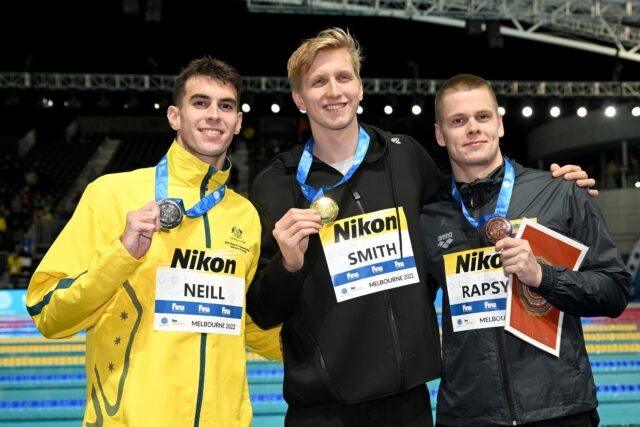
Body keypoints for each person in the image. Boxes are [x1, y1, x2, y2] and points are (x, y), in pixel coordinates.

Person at [246, 28, 595, 426]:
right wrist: (288, 265)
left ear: (360, 88)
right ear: (299, 98)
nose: (333, 91)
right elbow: (263, 310)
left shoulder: (404, 157)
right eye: (318, 82)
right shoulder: (276, 182)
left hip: (407, 402)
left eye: (344, 77)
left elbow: (467, 201)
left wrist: (548, 185)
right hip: (323, 407)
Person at [26, 57, 281, 427]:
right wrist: (122, 254)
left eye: (225, 106)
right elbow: (47, 312)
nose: (214, 115)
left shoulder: (244, 216)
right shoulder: (111, 194)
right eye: (200, 103)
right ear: (174, 116)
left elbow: (242, 320)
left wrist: (321, 347)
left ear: (238, 122)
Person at [420, 74, 630, 426]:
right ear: (441, 134)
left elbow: (614, 291)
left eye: (483, 117)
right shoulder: (430, 218)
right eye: (458, 121)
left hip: (559, 409)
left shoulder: (560, 193)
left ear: (500, 124)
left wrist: (542, 276)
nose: (473, 128)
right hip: (469, 416)